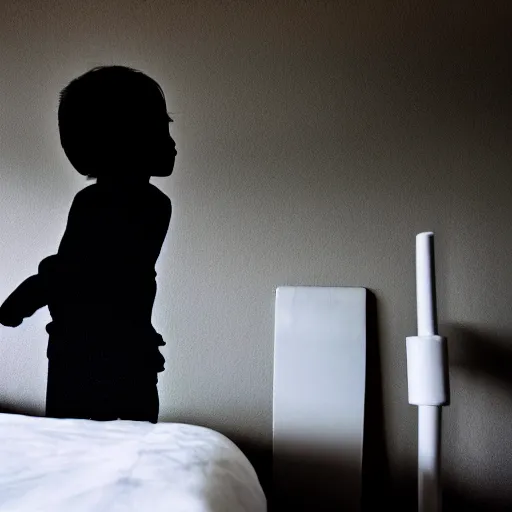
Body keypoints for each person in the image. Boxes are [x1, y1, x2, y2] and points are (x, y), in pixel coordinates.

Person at [0, 66, 176, 423]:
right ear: (126, 140)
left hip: (98, 350)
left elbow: (81, 268)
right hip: (99, 353)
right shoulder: (135, 205)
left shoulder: (137, 205)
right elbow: (79, 267)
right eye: (161, 129)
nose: (173, 143)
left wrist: (36, 289)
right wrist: (38, 289)